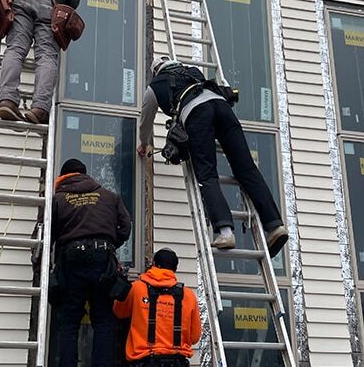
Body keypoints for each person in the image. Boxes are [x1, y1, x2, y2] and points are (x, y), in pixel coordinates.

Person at [137, 56, 289, 258]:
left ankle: (225, 231)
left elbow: (146, 118)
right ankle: (275, 225)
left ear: (156, 71)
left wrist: (144, 143)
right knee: (247, 168)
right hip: (223, 109)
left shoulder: (155, 86)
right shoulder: (193, 71)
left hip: (197, 114)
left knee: (206, 173)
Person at [51, 158, 131, 367]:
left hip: (72, 259)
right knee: (103, 319)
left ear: (63, 177)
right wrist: (110, 242)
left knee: (70, 322)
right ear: (85, 174)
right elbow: (125, 227)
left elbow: (46, 233)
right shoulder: (109, 196)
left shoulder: (58, 200)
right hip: (102, 260)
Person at [113, 248, 201, 366]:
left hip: (144, 361)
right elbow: (195, 337)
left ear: (153, 264)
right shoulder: (188, 295)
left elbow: (119, 312)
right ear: (175, 269)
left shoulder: (136, 288)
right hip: (177, 362)